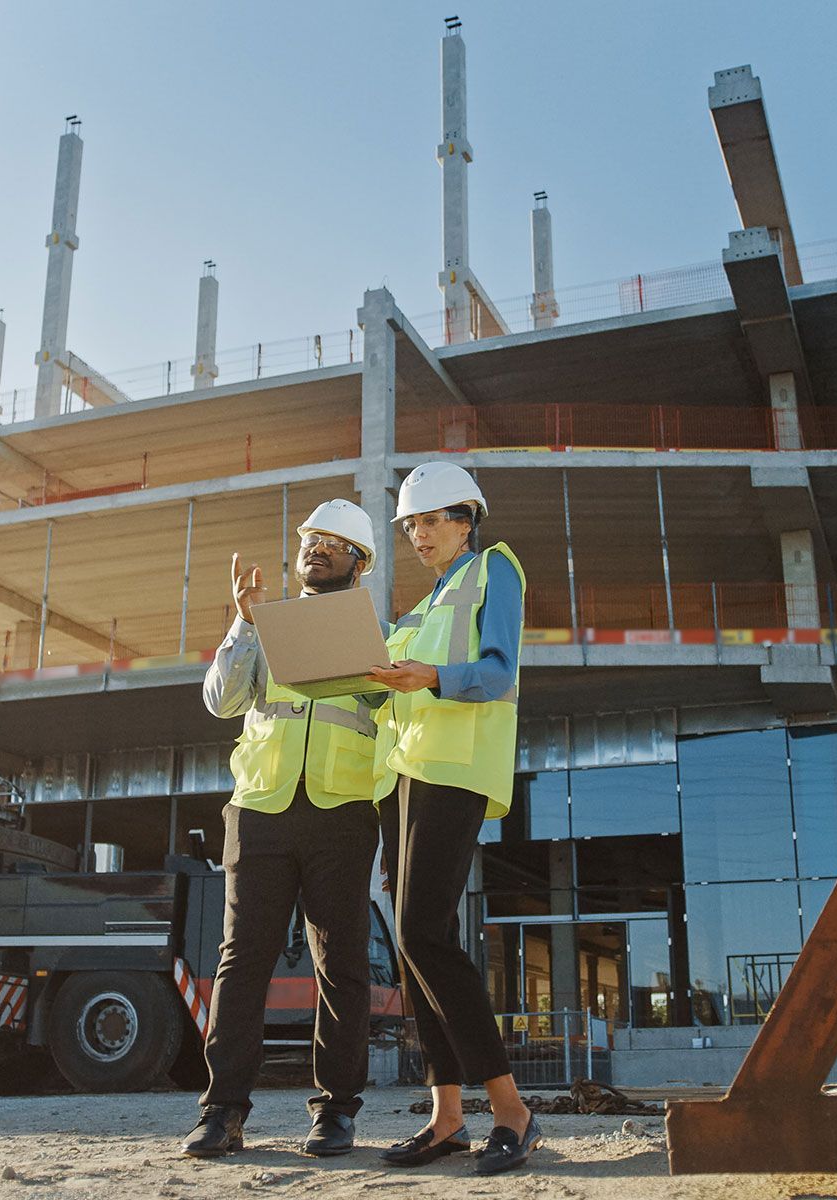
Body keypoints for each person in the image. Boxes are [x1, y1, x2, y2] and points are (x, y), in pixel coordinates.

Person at [180, 498, 395, 1160]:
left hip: (343, 812)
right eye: (310, 540)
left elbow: (396, 721)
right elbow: (221, 701)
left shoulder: (382, 637)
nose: (316, 549)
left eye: (333, 543)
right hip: (261, 811)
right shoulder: (262, 627)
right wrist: (244, 624)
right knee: (241, 961)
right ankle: (222, 1111)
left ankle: (336, 1111)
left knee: (342, 964)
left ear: (359, 563)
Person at [366, 461, 542, 1177]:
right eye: (411, 524)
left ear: (467, 520)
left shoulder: (494, 570)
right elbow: (395, 697)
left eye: (433, 520)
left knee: (421, 934)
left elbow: (498, 671)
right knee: (417, 945)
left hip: (455, 770)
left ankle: (512, 1112)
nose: (419, 534)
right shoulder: (420, 609)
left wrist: (432, 676)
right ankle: (446, 1118)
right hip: (403, 779)